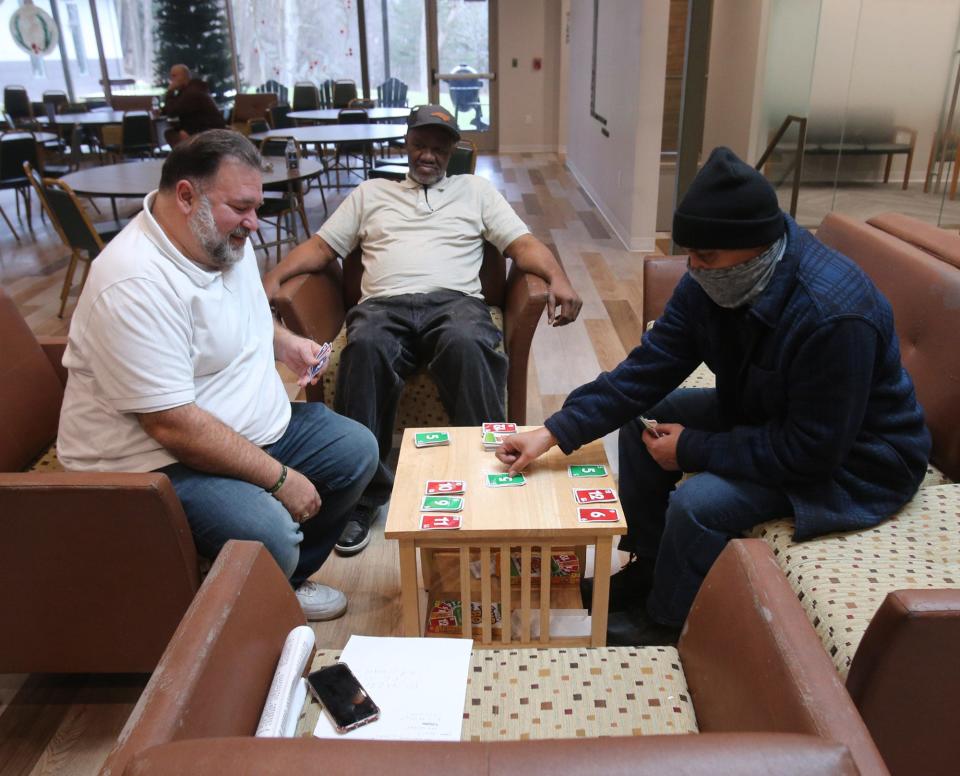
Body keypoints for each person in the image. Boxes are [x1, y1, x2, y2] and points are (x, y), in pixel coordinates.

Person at [496, 146, 931, 646]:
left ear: (760, 245)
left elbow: (813, 451)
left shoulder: (833, 317)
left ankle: (663, 622)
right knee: (645, 416)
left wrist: (692, 449)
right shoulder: (717, 279)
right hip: (770, 414)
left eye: (707, 257)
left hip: (858, 459)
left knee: (698, 503)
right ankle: (651, 562)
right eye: (690, 254)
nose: (694, 268)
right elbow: (645, 371)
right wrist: (552, 432)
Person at [57, 130, 379, 621]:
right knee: (273, 531)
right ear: (187, 196)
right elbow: (171, 425)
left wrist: (283, 341)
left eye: (257, 206)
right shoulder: (135, 282)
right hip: (157, 461)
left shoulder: (222, 237)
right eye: (242, 206)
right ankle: (251, 593)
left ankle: (282, 581)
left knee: (357, 452)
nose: (255, 223)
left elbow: (248, 310)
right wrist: (278, 478)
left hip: (242, 428)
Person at [263, 105, 582, 556]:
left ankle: (490, 472)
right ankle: (360, 498)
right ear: (406, 144)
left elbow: (522, 244)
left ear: (453, 150)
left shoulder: (476, 191)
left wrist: (559, 278)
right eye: (420, 145)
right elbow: (320, 248)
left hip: (456, 304)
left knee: (470, 343)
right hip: (381, 307)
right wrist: (270, 281)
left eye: (439, 147)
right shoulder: (371, 193)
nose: (428, 155)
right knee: (366, 347)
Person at [161, 64, 225, 147]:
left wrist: (170, 91)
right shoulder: (189, 89)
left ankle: (186, 156)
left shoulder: (192, 92)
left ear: (184, 76)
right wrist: (162, 110)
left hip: (208, 132)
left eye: (174, 76)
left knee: (171, 134)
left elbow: (172, 111)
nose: (172, 80)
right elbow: (173, 107)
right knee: (172, 132)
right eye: (171, 77)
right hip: (202, 129)